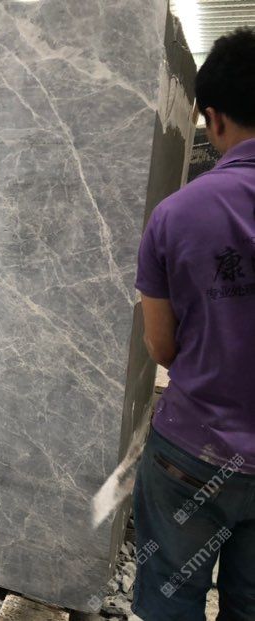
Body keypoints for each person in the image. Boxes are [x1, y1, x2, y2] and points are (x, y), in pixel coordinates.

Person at [132, 27, 255, 621]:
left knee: (169, 602)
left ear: (213, 117)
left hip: (191, 454)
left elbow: (161, 346)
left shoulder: (176, 214)